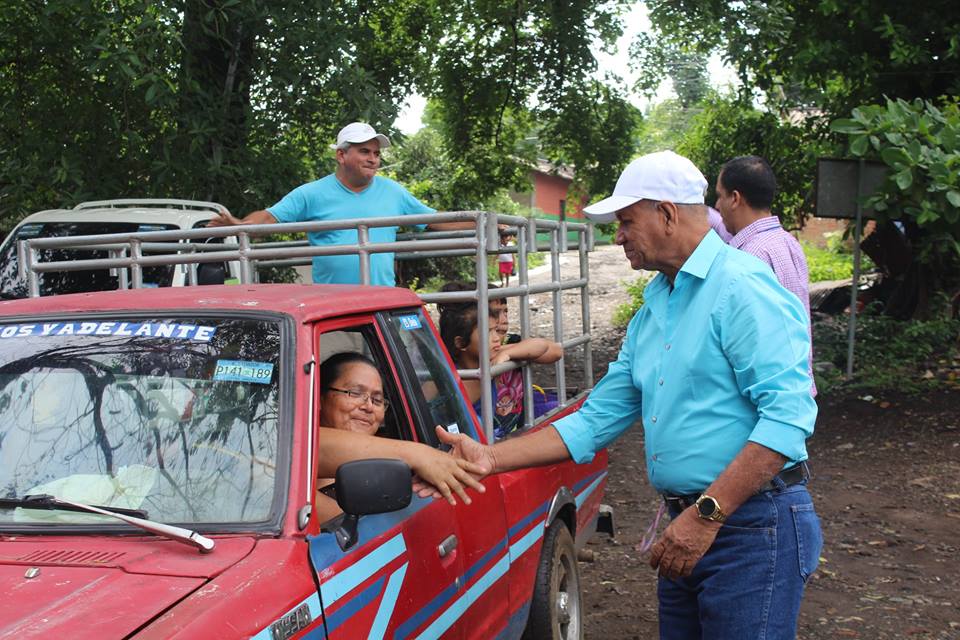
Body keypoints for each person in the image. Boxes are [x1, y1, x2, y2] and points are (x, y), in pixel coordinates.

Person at [436, 150, 822, 640]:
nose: (616, 236)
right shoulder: (659, 301)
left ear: (666, 213)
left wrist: (706, 515)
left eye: (625, 221)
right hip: (692, 524)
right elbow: (597, 417)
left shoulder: (740, 287)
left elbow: (788, 418)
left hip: (749, 528)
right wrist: (489, 457)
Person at [208, 122, 472, 287]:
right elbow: (268, 218)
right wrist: (239, 225)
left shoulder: (394, 192)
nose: (373, 159)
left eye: (376, 153)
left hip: (381, 304)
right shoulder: (312, 193)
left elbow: (440, 220)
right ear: (341, 155)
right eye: (364, 152)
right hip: (335, 307)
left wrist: (487, 223)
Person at [714, 155, 816, 396]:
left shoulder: (748, 257)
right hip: (795, 390)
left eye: (720, 196)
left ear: (735, 198)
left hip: (764, 398)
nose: (717, 206)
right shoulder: (788, 242)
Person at [439, 299, 561, 440]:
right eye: (487, 332)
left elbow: (546, 347)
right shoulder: (448, 375)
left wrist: (506, 354)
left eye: (495, 330)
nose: (496, 338)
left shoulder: (491, 356)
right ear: (460, 343)